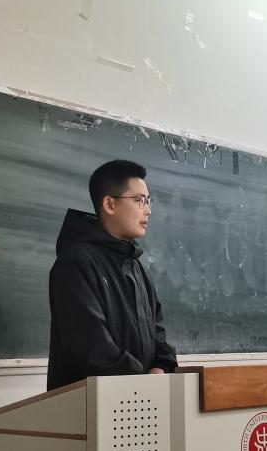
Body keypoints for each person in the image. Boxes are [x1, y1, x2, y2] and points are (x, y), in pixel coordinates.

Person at [47, 159, 178, 390]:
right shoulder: (76, 263)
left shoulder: (137, 268)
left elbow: (158, 335)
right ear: (109, 204)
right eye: (139, 200)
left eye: (148, 201)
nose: (148, 210)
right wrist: (144, 381)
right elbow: (92, 350)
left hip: (141, 399)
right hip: (91, 404)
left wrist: (160, 366)